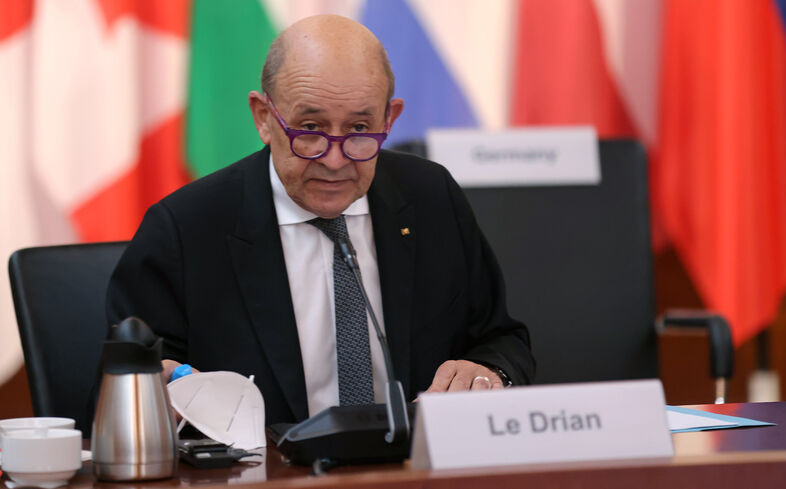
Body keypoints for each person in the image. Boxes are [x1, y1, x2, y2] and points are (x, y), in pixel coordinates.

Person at [106, 15, 535, 425]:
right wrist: (151, 393)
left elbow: (502, 341)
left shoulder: (430, 199)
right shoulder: (186, 228)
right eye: (310, 127)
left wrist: (486, 372)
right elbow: (118, 387)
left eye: (359, 129)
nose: (335, 160)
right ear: (264, 118)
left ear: (390, 119)